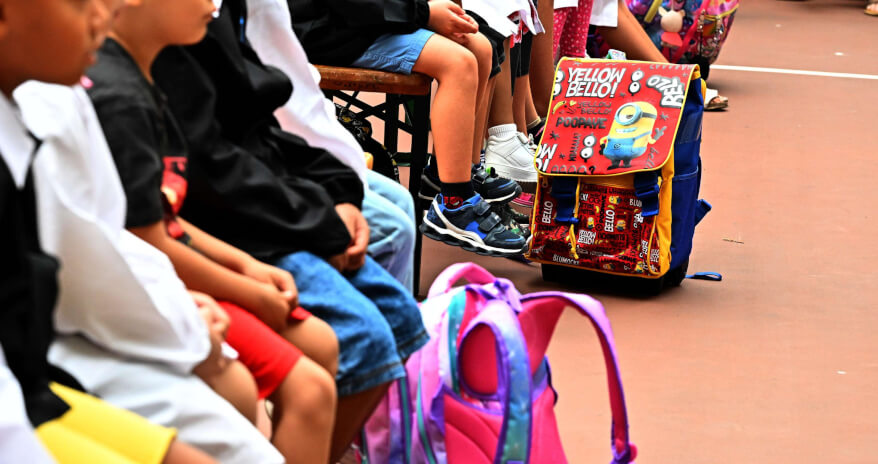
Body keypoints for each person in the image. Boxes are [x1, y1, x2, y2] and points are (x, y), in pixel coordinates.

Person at [150, 4, 428, 458]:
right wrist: (314, 226)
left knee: (400, 316)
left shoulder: (203, 22)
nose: (210, 6)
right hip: (237, 227)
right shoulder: (134, 82)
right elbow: (168, 217)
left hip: (260, 212)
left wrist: (337, 192)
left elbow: (261, 123)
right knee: (360, 341)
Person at [83, 0, 338, 462]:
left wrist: (246, 265)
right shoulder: (118, 97)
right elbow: (144, 238)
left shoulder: (141, 78)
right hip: (144, 291)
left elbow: (162, 217)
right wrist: (248, 290)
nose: (212, 4)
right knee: (304, 390)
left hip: (165, 273)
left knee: (321, 347)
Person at [0, 0, 214, 462]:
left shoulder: (41, 103)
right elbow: (92, 272)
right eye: (79, 2)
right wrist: (191, 334)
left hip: (32, 379)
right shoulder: (79, 101)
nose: (103, 15)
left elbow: (112, 231)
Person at [290, 0, 528, 256]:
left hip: (366, 20)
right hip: (328, 29)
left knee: (479, 47)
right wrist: (424, 14)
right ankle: (455, 201)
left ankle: (446, 174)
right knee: (459, 64)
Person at [243, 0, 417, 291]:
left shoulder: (225, 19)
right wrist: (423, 13)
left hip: (279, 140)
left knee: (400, 200)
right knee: (392, 230)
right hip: (337, 30)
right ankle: (455, 195)